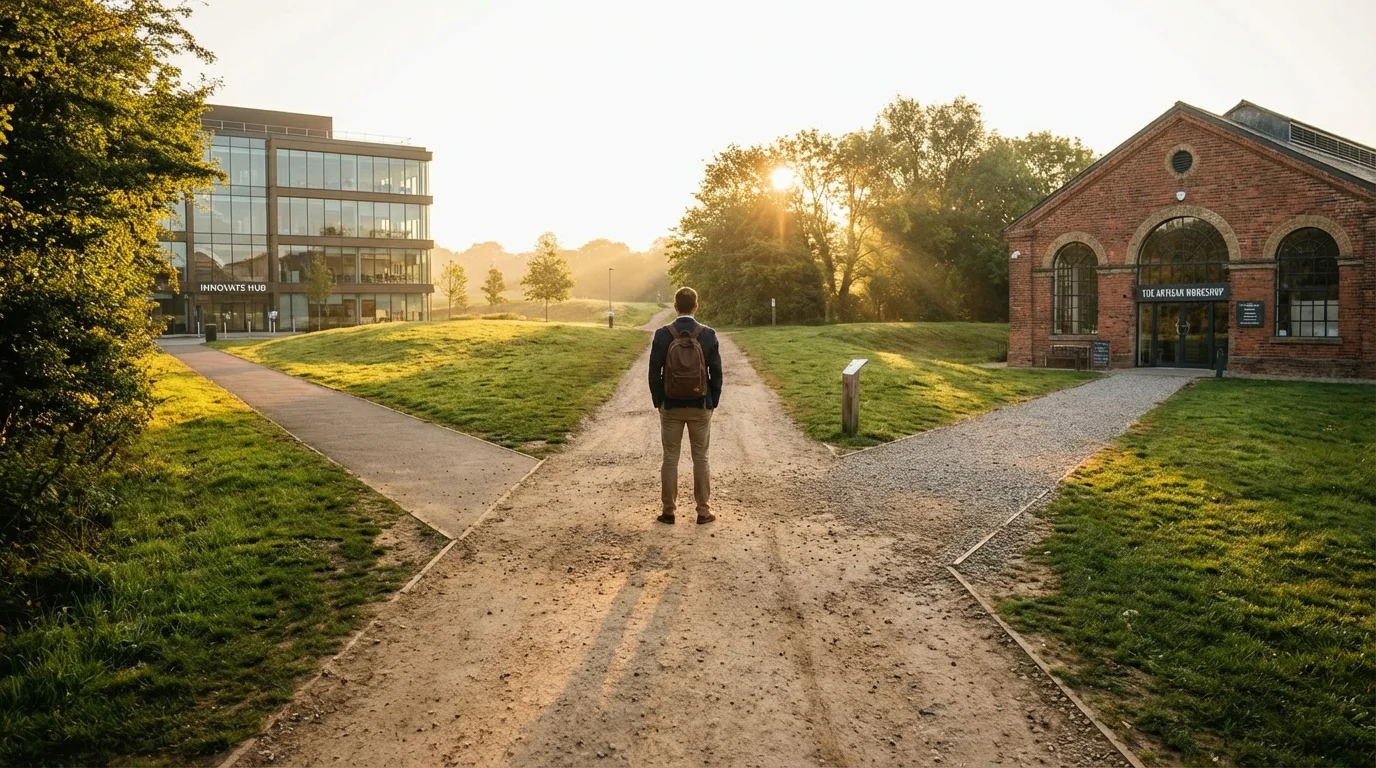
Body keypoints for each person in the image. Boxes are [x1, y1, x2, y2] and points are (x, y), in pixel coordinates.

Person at [648, 287, 723, 525]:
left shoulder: (662, 334)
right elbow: (717, 373)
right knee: (701, 457)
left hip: (670, 407)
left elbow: (653, 372)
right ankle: (703, 511)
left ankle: (668, 511)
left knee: (670, 457)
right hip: (700, 404)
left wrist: (659, 400)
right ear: (696, 306)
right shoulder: (708, 334)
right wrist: (712, 401)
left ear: (675, 305)